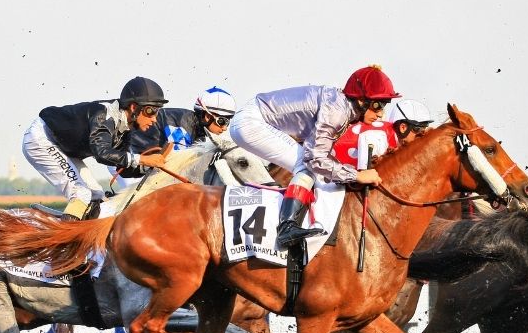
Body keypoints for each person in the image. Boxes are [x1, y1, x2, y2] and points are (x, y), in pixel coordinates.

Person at [229, 65, 399, 248]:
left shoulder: (342, 107)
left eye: (384, 105)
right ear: (360, 100)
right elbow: (315, 159)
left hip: (251, 119)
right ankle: (286, 228)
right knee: (306, 166)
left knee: (312, 167)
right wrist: (356, 175)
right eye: (377, 104)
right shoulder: (337, 112)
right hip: (251, 122)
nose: (381, 113)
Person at [22, 76, 169, 220]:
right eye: (152, 111)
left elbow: (120, 167)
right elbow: (102, 153)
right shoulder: (104, 116)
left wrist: (149, 169)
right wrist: (142, 159)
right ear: (133, 107)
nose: (155, 119)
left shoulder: (125, 127)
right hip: (42, 139)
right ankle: (64, 241)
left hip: (64, 147)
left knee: (98, 197)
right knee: (81, 194)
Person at [131, 86, 237, 153]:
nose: (224, 128)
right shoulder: (182, 127)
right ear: (208, 116)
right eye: (222, 121)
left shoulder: (198, 131)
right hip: (129, 158)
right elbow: (176, 164)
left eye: (228, 122)